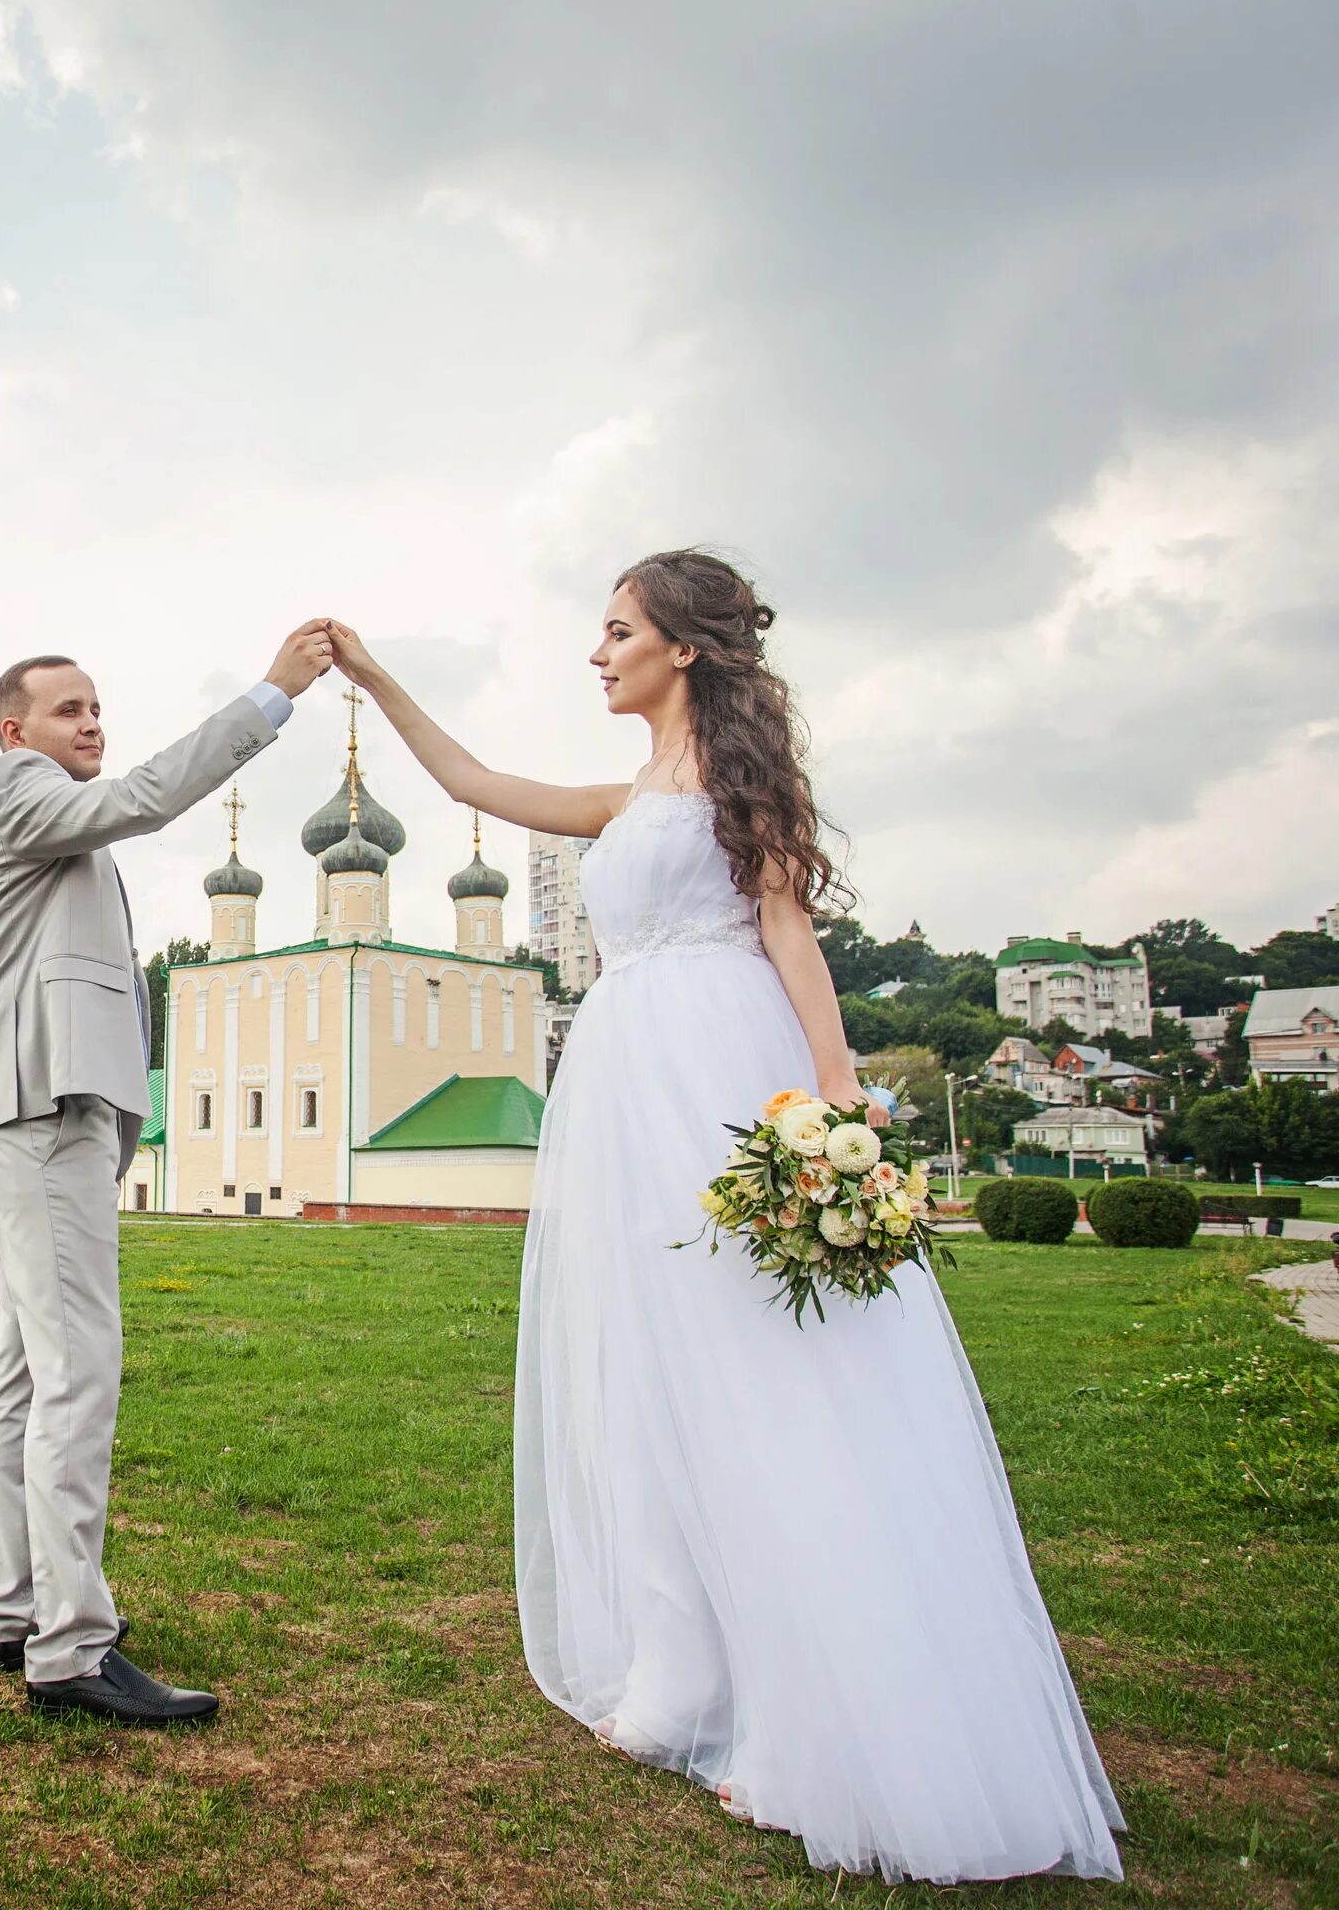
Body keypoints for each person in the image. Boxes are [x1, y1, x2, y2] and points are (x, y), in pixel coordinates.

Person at [329, 552, 1123, 1885]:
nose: (598, 651)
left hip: (711, 1069)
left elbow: (787, 933)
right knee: (648, 1377)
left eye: (617, 630)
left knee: (759, 1370)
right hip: (626, 1089)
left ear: (682, 649)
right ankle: (681, 1677)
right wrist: (376, 677)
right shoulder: (626, 792)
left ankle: (812, 1708)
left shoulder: (734, 786)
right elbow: (470, 785)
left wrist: (836, 1093)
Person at [0, 623, 336, 1726]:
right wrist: (272, 694)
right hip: (43, 1105)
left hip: (42, 1109)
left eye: (98, 707)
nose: (93, 723)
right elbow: (152, 794)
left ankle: (14, 1610)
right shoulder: (14, 787)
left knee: (28, 1370)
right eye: (70, 709)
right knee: (78, 1367)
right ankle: (71, 1646)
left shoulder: (51, 821)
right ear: (13, 728)